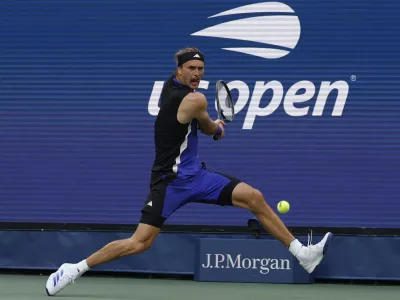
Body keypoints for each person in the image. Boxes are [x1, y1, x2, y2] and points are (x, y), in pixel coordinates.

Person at [45, 47, 333, 296]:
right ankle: (75, 269)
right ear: (179, 70)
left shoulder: (172, 87)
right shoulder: (195, 100)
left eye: (201, 69)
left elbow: (195, 124)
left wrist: (211, 126)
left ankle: (302, 254)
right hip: (169, 182)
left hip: (198, 177)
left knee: (253, 197)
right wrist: (218, 128)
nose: (197, 73)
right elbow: (209, 129)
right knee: (139, 243)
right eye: (191, 68)